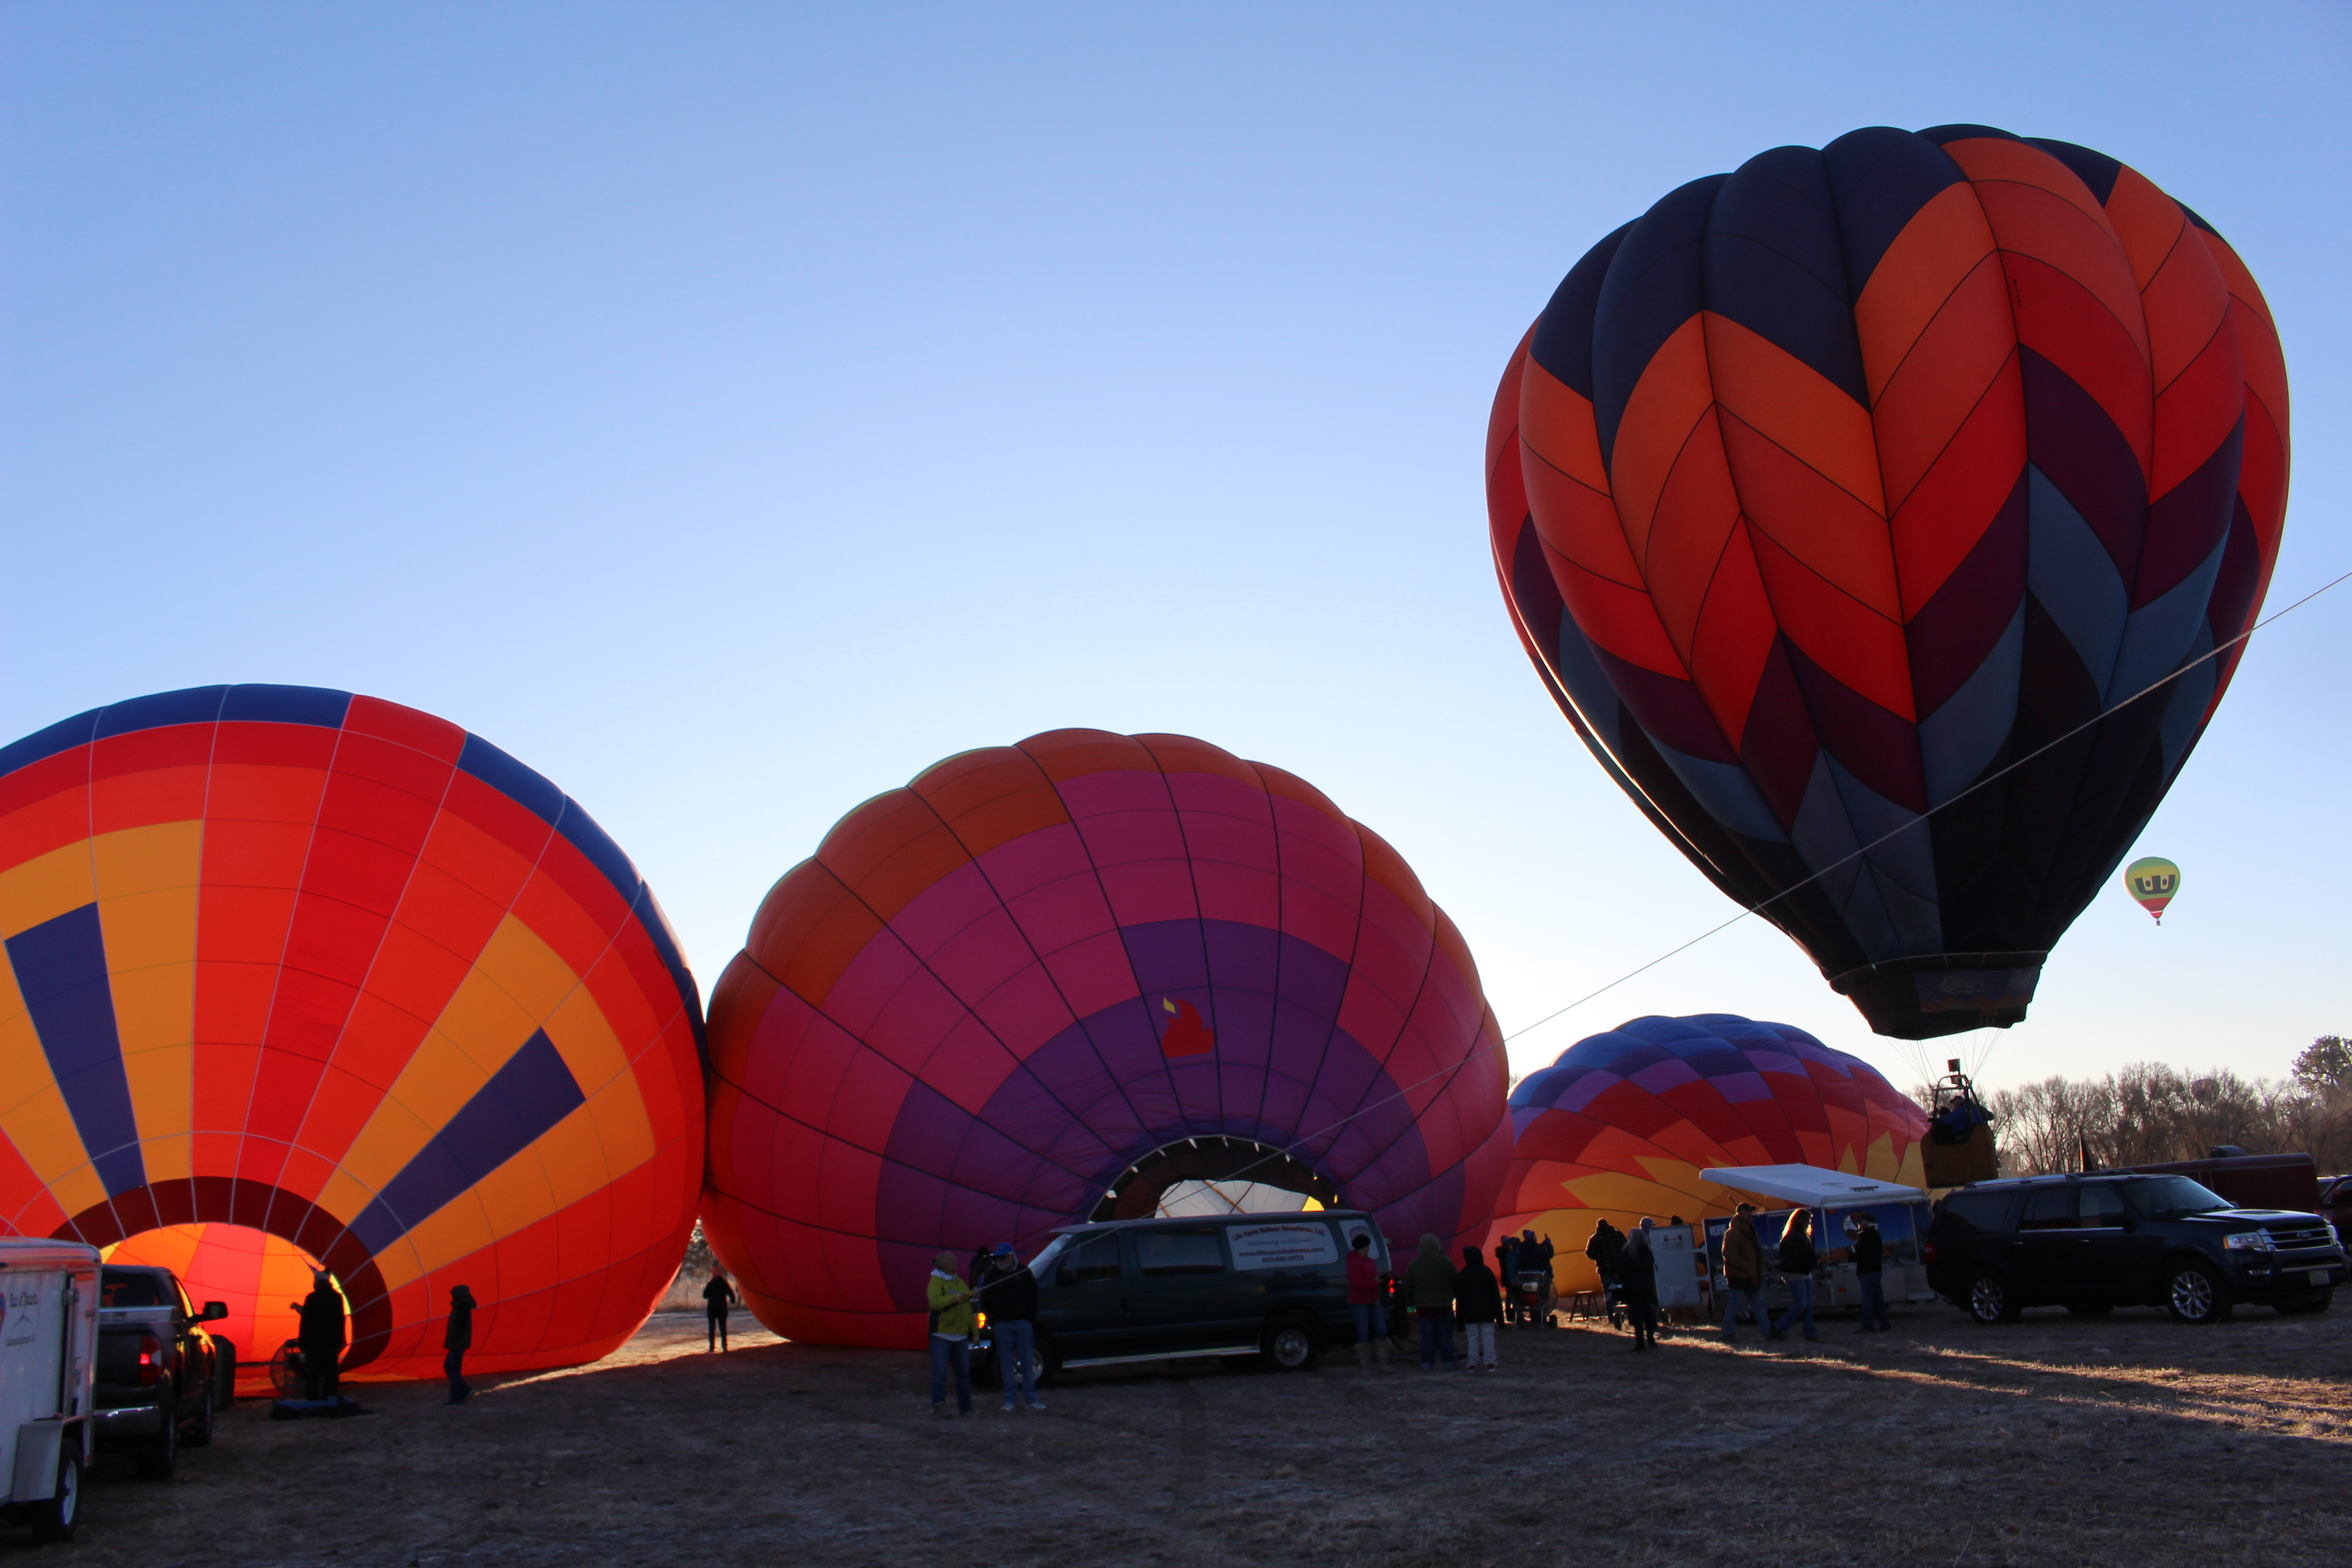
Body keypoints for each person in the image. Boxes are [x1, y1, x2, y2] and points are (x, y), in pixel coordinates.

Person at [978, 1244, 1045, 1412]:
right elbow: (985, 1299)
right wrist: (993, 1320)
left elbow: (1035, 1295)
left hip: (1022, 1323)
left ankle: (1031, 1400)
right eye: (997, 1258)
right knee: (1006, 1363)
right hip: (1003, 1325)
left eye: (1002, 1257)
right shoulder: (992, 1274)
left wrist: (1030, 1318)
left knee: (1027, 1360)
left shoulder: (1024, 1272)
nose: (999, 1261)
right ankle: (1010, 1401)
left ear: (1012, 1257)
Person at [926, 1250, 975, 1417]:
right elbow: (936, 1303)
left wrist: (974, 1333)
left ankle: (966, 1409)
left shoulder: (960, 1283)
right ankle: (939, 1406)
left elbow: (968, 1310)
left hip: (961, 1335)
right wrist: (953, 1300)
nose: (955, 1261)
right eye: (951, 1260)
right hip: (941, 1335)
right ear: (943, 1265)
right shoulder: (936, 1282)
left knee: (964, 1375)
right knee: (940, 1374)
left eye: (955, 1258)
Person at [1402, 1234, 1461, 1371]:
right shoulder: (1446, 1262)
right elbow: (1457, 1282)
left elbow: (1407, 1286)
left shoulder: (1415, 1264)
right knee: (1446, 1336)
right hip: (1444, 1306)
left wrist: (1411, 1305)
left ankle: (1427, 1364)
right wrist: (1455, 1298)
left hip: (1424, 1308)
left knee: (1427, 1337)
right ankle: (1450, 1362)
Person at [1769, 1211, 1820, 1343]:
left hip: (1802, 1272)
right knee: (1803, 1303)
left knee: (1807, 1305)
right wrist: (1813, 1259)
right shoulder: (1794, 1237)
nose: (1810, 1223)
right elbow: (1798, 1256)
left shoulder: (1799, 1235)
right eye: (1808, 1220)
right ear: (1802, 1221)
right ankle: (1779, 1327)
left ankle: (1810, 1334)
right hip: (1796, 1272)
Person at [1718, 1204, 1766, 1342]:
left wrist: (1761, 1265)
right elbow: (1729, 1255)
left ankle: (1767, 1332)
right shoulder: (1732, 1233)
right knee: (1735, 1306)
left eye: (1751, 1211)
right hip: (1739, 1277)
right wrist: (1749, 1267)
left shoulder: (1752, 1231)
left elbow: (1757, 1252)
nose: (1750, 1214)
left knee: (1759, 1306)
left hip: (1752, 1276)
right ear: (1739, 1214)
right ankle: (1727, 1334)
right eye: (1747, 1211)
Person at [296, 1269, 347, 1401]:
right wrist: (340, 1340)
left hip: (314, 1343)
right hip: (331, 1342)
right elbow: (340, 1320)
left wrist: (303, 1342)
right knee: (331, 1372)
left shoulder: (312, 1298)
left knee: (313, 1373)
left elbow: (306, 1322)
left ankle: (313, 1399)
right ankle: (331, 1397)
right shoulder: (337, 1298)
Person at [1345, 1233, 1388, 1372]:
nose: (1369, 1249)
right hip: (1359, 1302)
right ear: (1361, 1248)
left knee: (1382, 1330)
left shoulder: (1369, 1261)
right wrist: (1374, 1283)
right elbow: (1356, 1284)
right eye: (1367, 1247)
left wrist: (1381, 1280)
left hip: (1373, 1301)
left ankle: (1383, 1363)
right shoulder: (1354, 1263)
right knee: (1363, 1333)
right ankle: (1367, 1366)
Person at [1454, 1245, 1501, 1371]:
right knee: (1488, 1337)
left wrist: (1459, 1322)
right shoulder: (1487, 1272)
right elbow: (1496, 1296)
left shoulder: (1464, 1274)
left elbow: (1460, 1300)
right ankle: (1491, 1362)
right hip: (1487, 1312)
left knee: (1472, 1338)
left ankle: (1472, 1363)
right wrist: (1500, 1319)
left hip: (1470, 1314)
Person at [1620, 1218, 1660, 1351]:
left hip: (1633, 1288)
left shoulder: (1627, 1253)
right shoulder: (1648, 1252)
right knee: (1648, 1314)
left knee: (1637, 1316)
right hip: (1647, 1287)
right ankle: (1652, 1340)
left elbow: (1621, 1270)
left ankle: (1640, 1343)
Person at [1852, 1212, 1891, 1333]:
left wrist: (1852, 1254)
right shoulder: (1876, 1235)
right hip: (1875, 1270)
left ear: (1866, 1223)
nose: (1858, 1224)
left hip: (1867, 1271)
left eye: (1860, 1222)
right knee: (1879, 1300)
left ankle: (1868, 1326)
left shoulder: (1866, 1236)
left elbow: (1862, 1255)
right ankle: (1885, 1324)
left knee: (1868, 1301)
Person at [1586, 1220, 1625, 1328]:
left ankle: (1612, 1318)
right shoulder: (1618, 1235)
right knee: (1625, 1293)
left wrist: (1599, 1258)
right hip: (1620, 1270)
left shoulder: (1595, 1239)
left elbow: (1589, 1253)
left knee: (1609, 1295)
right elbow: (1626, 1247)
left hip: (1605, 1271)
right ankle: (1627, 1317)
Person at [443, 1284, 476, 1406]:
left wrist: (453, 1337)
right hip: (456, 1342)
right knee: (449, 1368)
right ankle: (465, 1391)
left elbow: (459, 1327)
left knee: (454, 1370)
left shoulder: (461, 1307)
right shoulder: (460, 1306)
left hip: (457, 1343)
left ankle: (457, 1398)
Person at [703, 1268, 738, 1352]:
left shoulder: (711, 1284)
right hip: (722, 1308)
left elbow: (705, 1296)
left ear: (713, 1274)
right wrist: (732, 1301)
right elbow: (732, 1296)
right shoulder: (724, 1284)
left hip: (712, 1308)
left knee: (712, 1328)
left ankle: (712, 1347)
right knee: (723, 1328)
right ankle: (724, 1346)